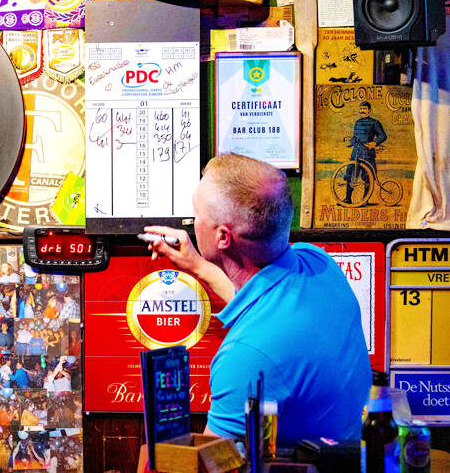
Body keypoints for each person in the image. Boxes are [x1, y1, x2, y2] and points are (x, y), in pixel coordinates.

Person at [145, 152, 371, 444]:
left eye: (197, 215)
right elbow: (262, 308)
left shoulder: (246, 357)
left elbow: (212, 461)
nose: (193, 222)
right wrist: (199, 265)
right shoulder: (318, 263)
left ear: (223, 238)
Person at [342, 101, 388, 204]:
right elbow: (355, 138)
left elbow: (383, 136)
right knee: (351, 175)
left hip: (367, 153)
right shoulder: (357, 122)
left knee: (368, 177)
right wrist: (350, 143)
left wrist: (375, 143)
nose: (362, 111)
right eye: (361, 109)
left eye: (365, 109)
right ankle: (348, 199)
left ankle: (364, 200)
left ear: (369, 110)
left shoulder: (374, 123)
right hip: (356, 153)